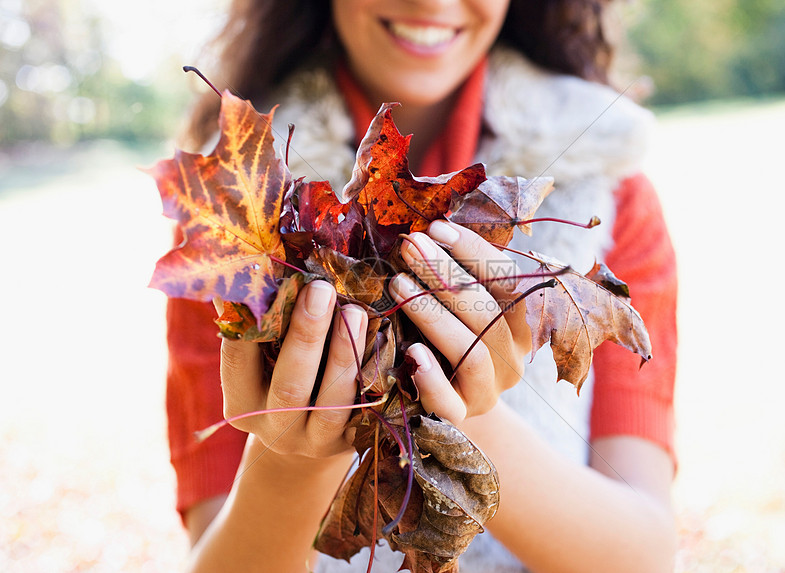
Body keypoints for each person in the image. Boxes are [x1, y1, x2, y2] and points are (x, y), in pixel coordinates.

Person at [166, 1, 678, 572]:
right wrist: (290, 465)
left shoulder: (608, 190)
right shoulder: (235, 220)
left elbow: (646, 556)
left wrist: (460, 404)